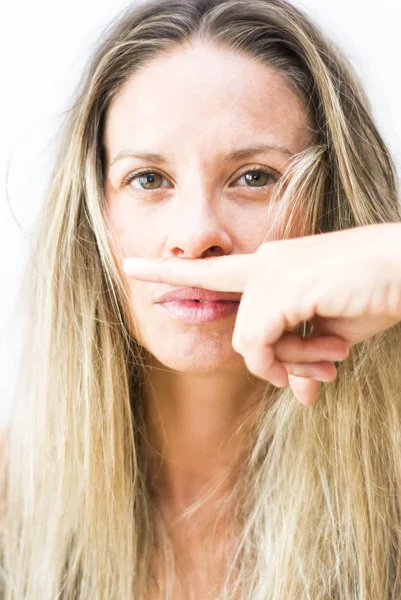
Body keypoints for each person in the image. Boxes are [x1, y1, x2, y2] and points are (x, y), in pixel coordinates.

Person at [1, 0, 401, 598]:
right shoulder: (10, 494)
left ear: (332, 205)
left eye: (256, 177)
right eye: (148, 180)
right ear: (95, 220)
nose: (195, 234)